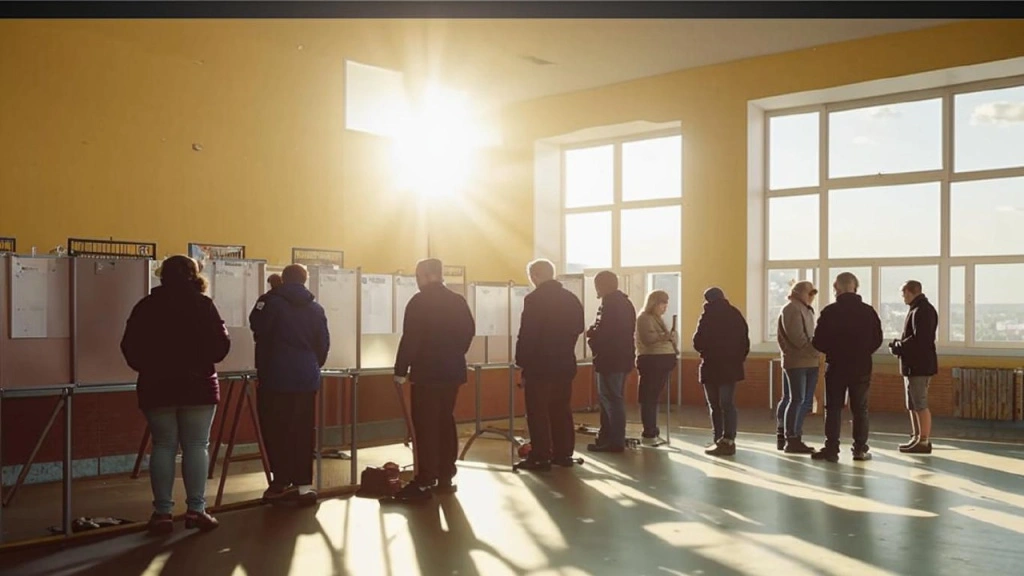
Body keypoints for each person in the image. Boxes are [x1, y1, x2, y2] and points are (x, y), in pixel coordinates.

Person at [121, 255, 230, 534]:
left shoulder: (146, 306)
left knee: (163, 446)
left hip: (157, 386)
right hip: (199, 386)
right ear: (194, 276)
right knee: (196, 445)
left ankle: (162, 513)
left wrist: (150, 367)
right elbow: (221, 346)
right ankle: (196, 510)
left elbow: (129, 346)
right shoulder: (204, 305)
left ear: (162, 276)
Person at [391, 258, 476, 502]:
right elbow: (468, 332)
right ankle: (445, 476)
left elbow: (411, 338)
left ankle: (425, 480)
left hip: (427, 373)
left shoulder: (419, 302)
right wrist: (454, 353)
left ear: (427, 275)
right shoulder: (457, 301)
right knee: (445, 421)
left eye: (418, 276)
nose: (417, 281)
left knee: (426, 425)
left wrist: (400, 369)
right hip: (452, 372)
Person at [249, 264, 330, 505]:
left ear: (283, 279)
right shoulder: (316, 308)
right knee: (303, 431)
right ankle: (303, 486)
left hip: (275, 376)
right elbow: (323, 343)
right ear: (305, 280)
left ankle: (280, 482)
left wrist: (269, 295)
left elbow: (256, 324)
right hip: (306, 377)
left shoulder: (270, 302)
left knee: (276, 429)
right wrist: (312, 364)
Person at [514, 259, 585, 471]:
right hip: (564, 363)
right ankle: (563, 453)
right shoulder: (571, 298)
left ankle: (541, 456)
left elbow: (528, 334)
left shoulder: (534, 299)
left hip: (540, 365)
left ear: (534, 276)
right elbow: (579, 327)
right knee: (561, 409)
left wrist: (521, 362)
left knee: (538, 411)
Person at [811, 272, 883, 463]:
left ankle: (831, 449)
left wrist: (833, 350)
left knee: (833, 408)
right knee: (860, 409)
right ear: (855, 287)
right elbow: (877, 339)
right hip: (861, 366)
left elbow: (818, 341)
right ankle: (859, 449)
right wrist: (863, 351)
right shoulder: (868, 312)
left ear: (837, 288)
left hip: (836, 366)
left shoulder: (830, 312)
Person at [692, 287, 750, 457]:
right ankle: (729, 439)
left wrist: (707, 351)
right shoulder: (735, 314)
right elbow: (744, 342)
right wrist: (737, 359)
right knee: (728, 404)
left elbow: (697, 342)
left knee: (714, 405)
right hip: (730, 367)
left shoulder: (707, 316)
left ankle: (717, 438)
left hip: (710, 366)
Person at [585, 271, 636, 453]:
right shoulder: (625, 303)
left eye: (597, 286)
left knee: (611, 399)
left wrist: (592, 337)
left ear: (602, 285)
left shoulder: (610, 305)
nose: (596, 290)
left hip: (609, 359)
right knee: (613, 398)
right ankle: (608, 437)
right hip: (621, 358)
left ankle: (614, 440)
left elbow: (606, 334)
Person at [889, 280, 938, 455]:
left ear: (910, 292)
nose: (903, 298)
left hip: (919, 366)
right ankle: (916, 437)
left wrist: (899, 346)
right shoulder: (918, 309)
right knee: (912, 404)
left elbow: (920, 339)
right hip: (913, 365)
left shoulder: (922, 310)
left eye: (903, 294)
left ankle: (923, 440)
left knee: (920, 403)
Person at [776, 280, 820, 454]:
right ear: (799, 293)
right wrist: (817, 351)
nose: (812, 297)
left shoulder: (805, 309)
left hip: (808, 361)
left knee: (800, 400)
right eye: (810, 293)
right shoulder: (792, 309)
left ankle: (792, 436)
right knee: (796, 400)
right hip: (798, 362)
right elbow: (798, 338)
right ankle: (791, 438)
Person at [635, 290, 677, 445]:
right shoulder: (644, 318)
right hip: (652, 360)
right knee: (649, 397)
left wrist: (670, 337)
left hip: (662, 359)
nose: (665, 307)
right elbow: (648, 338)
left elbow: (668, 339)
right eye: (662, 303)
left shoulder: (658, 319)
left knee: (652, 397)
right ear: (653, 303)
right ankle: (650, 430)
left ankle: (651, 429)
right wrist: (665, 336)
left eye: (666, 303)